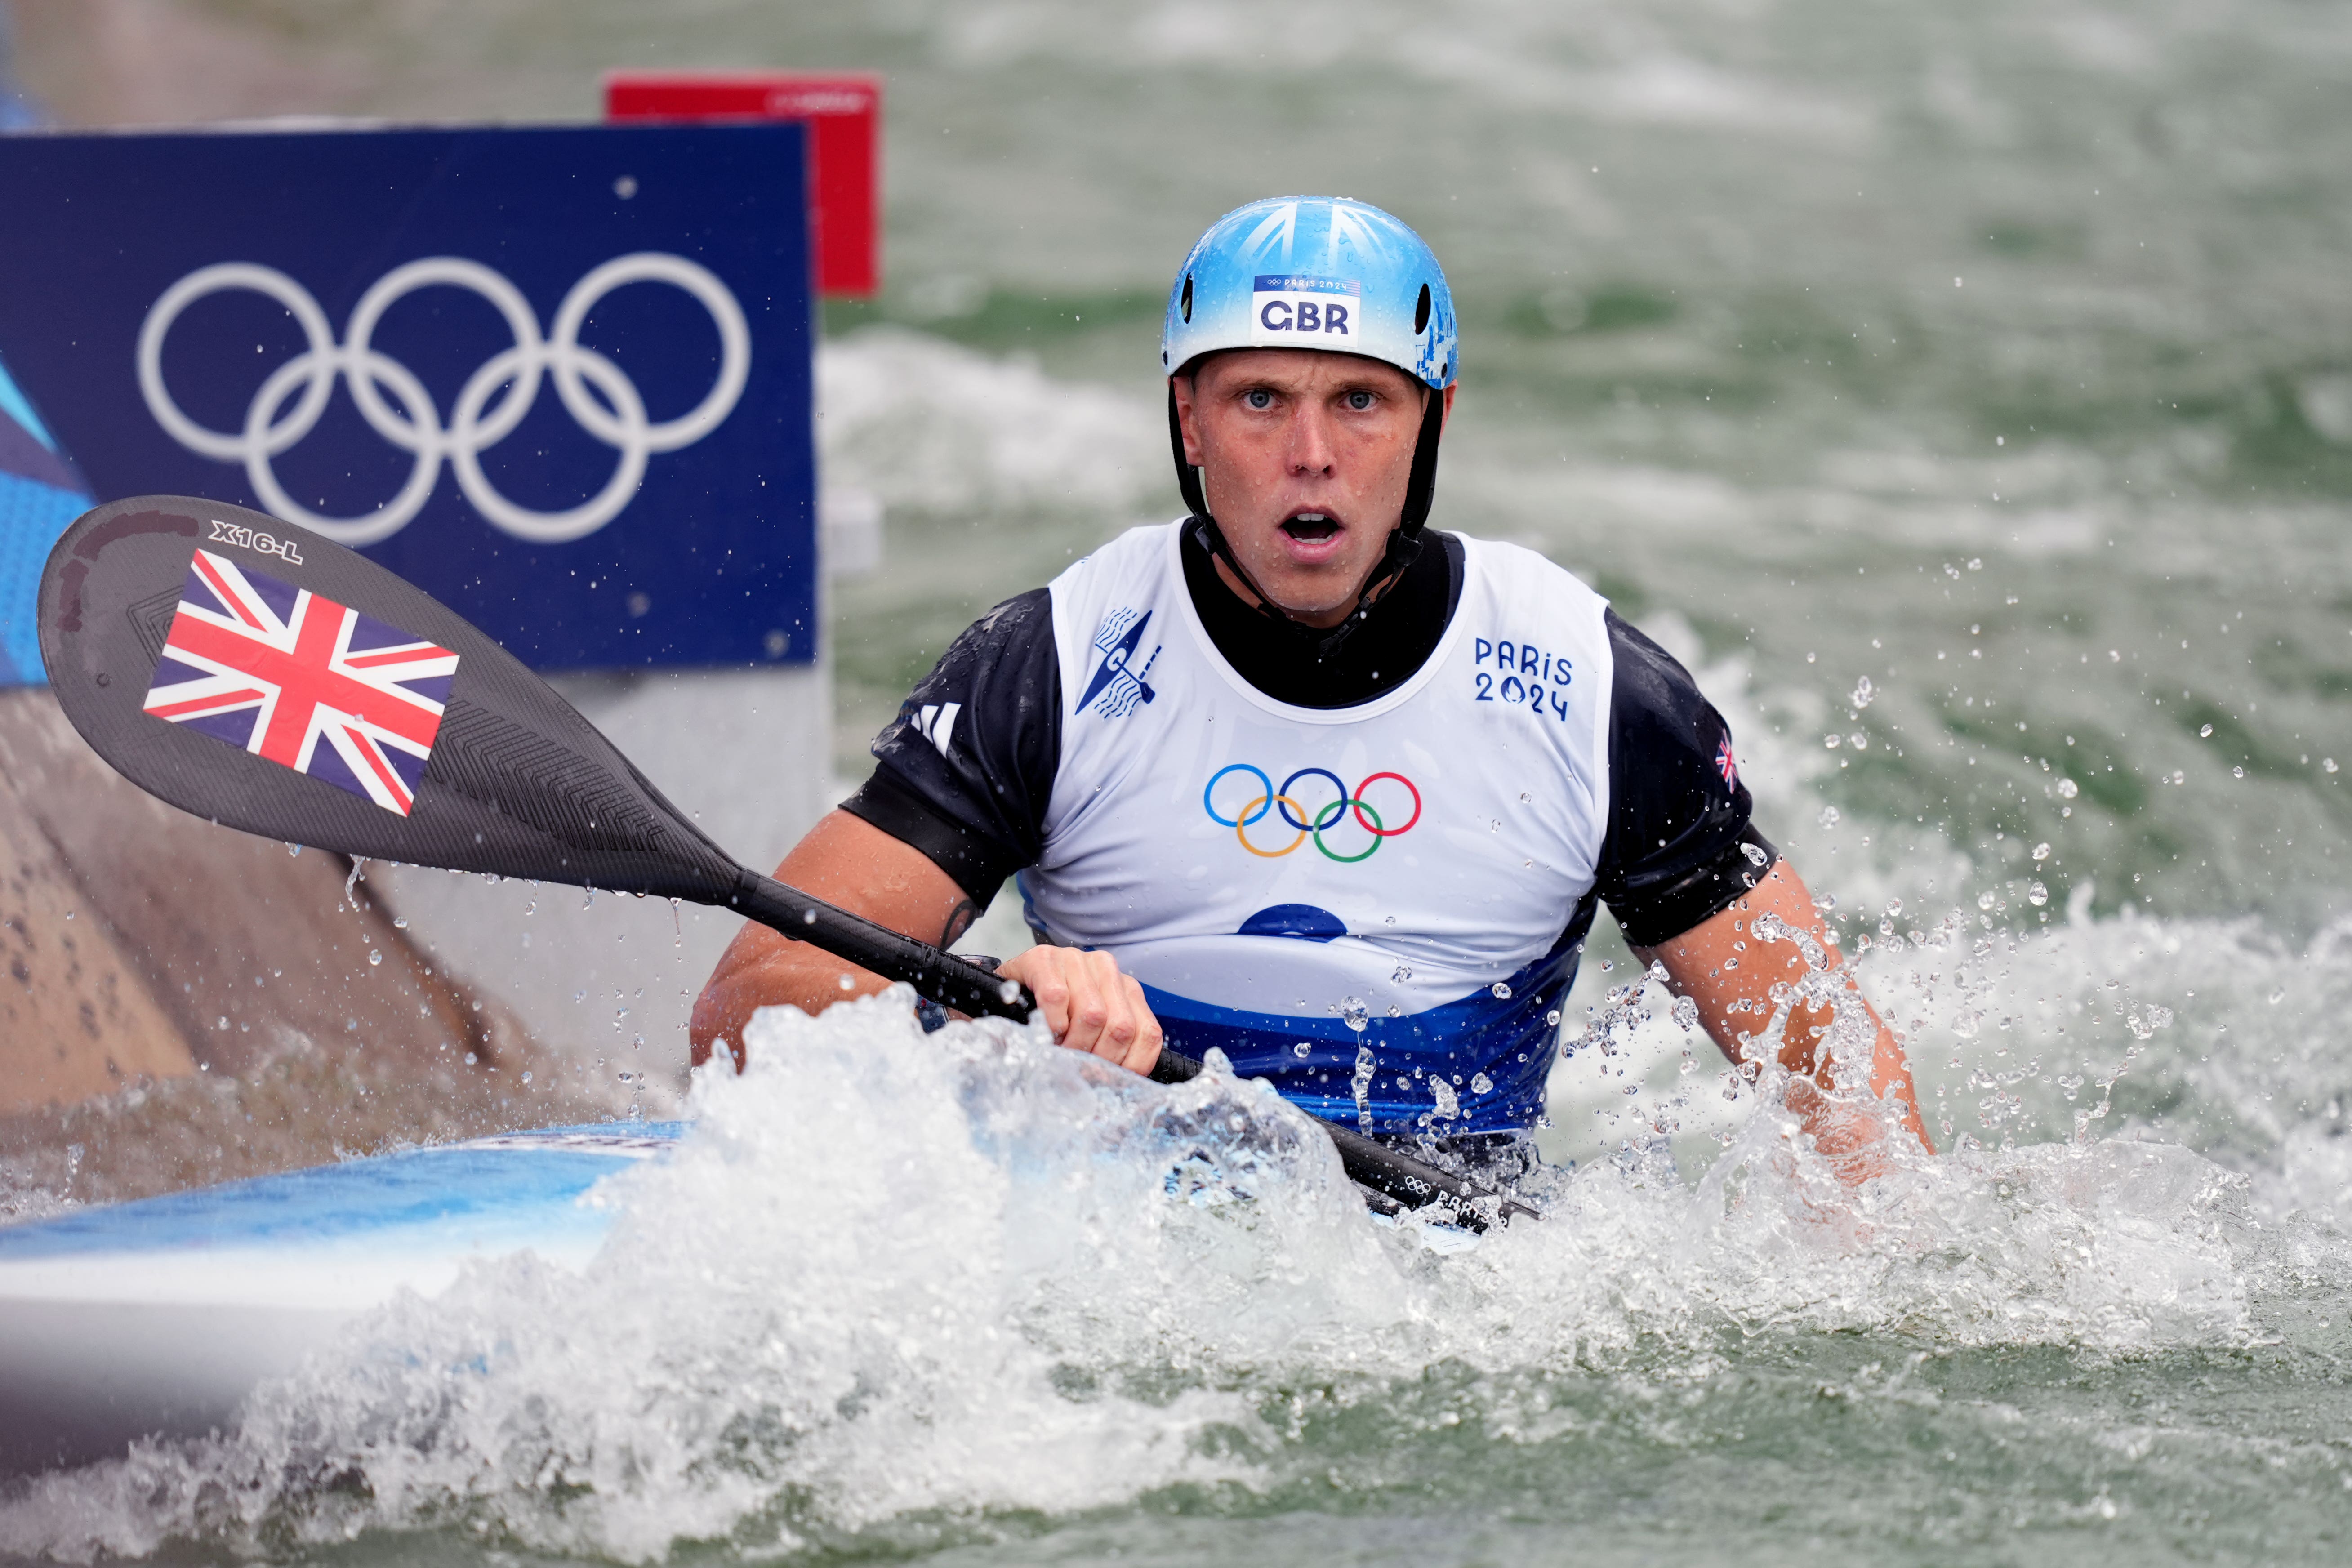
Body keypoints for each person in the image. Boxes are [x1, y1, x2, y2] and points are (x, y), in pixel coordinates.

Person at [693, 196, 1932, 1179]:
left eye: (1361, 402)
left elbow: (1833, 1074)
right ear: (1187, 420)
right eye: (1258, 400)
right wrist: (985, 1022)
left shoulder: (1591, 689)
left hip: (1457, 1280)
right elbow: (744, 1021)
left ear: (1433, 421)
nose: (1312, 456)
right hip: (1109, 1234)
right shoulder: (1055, 662)